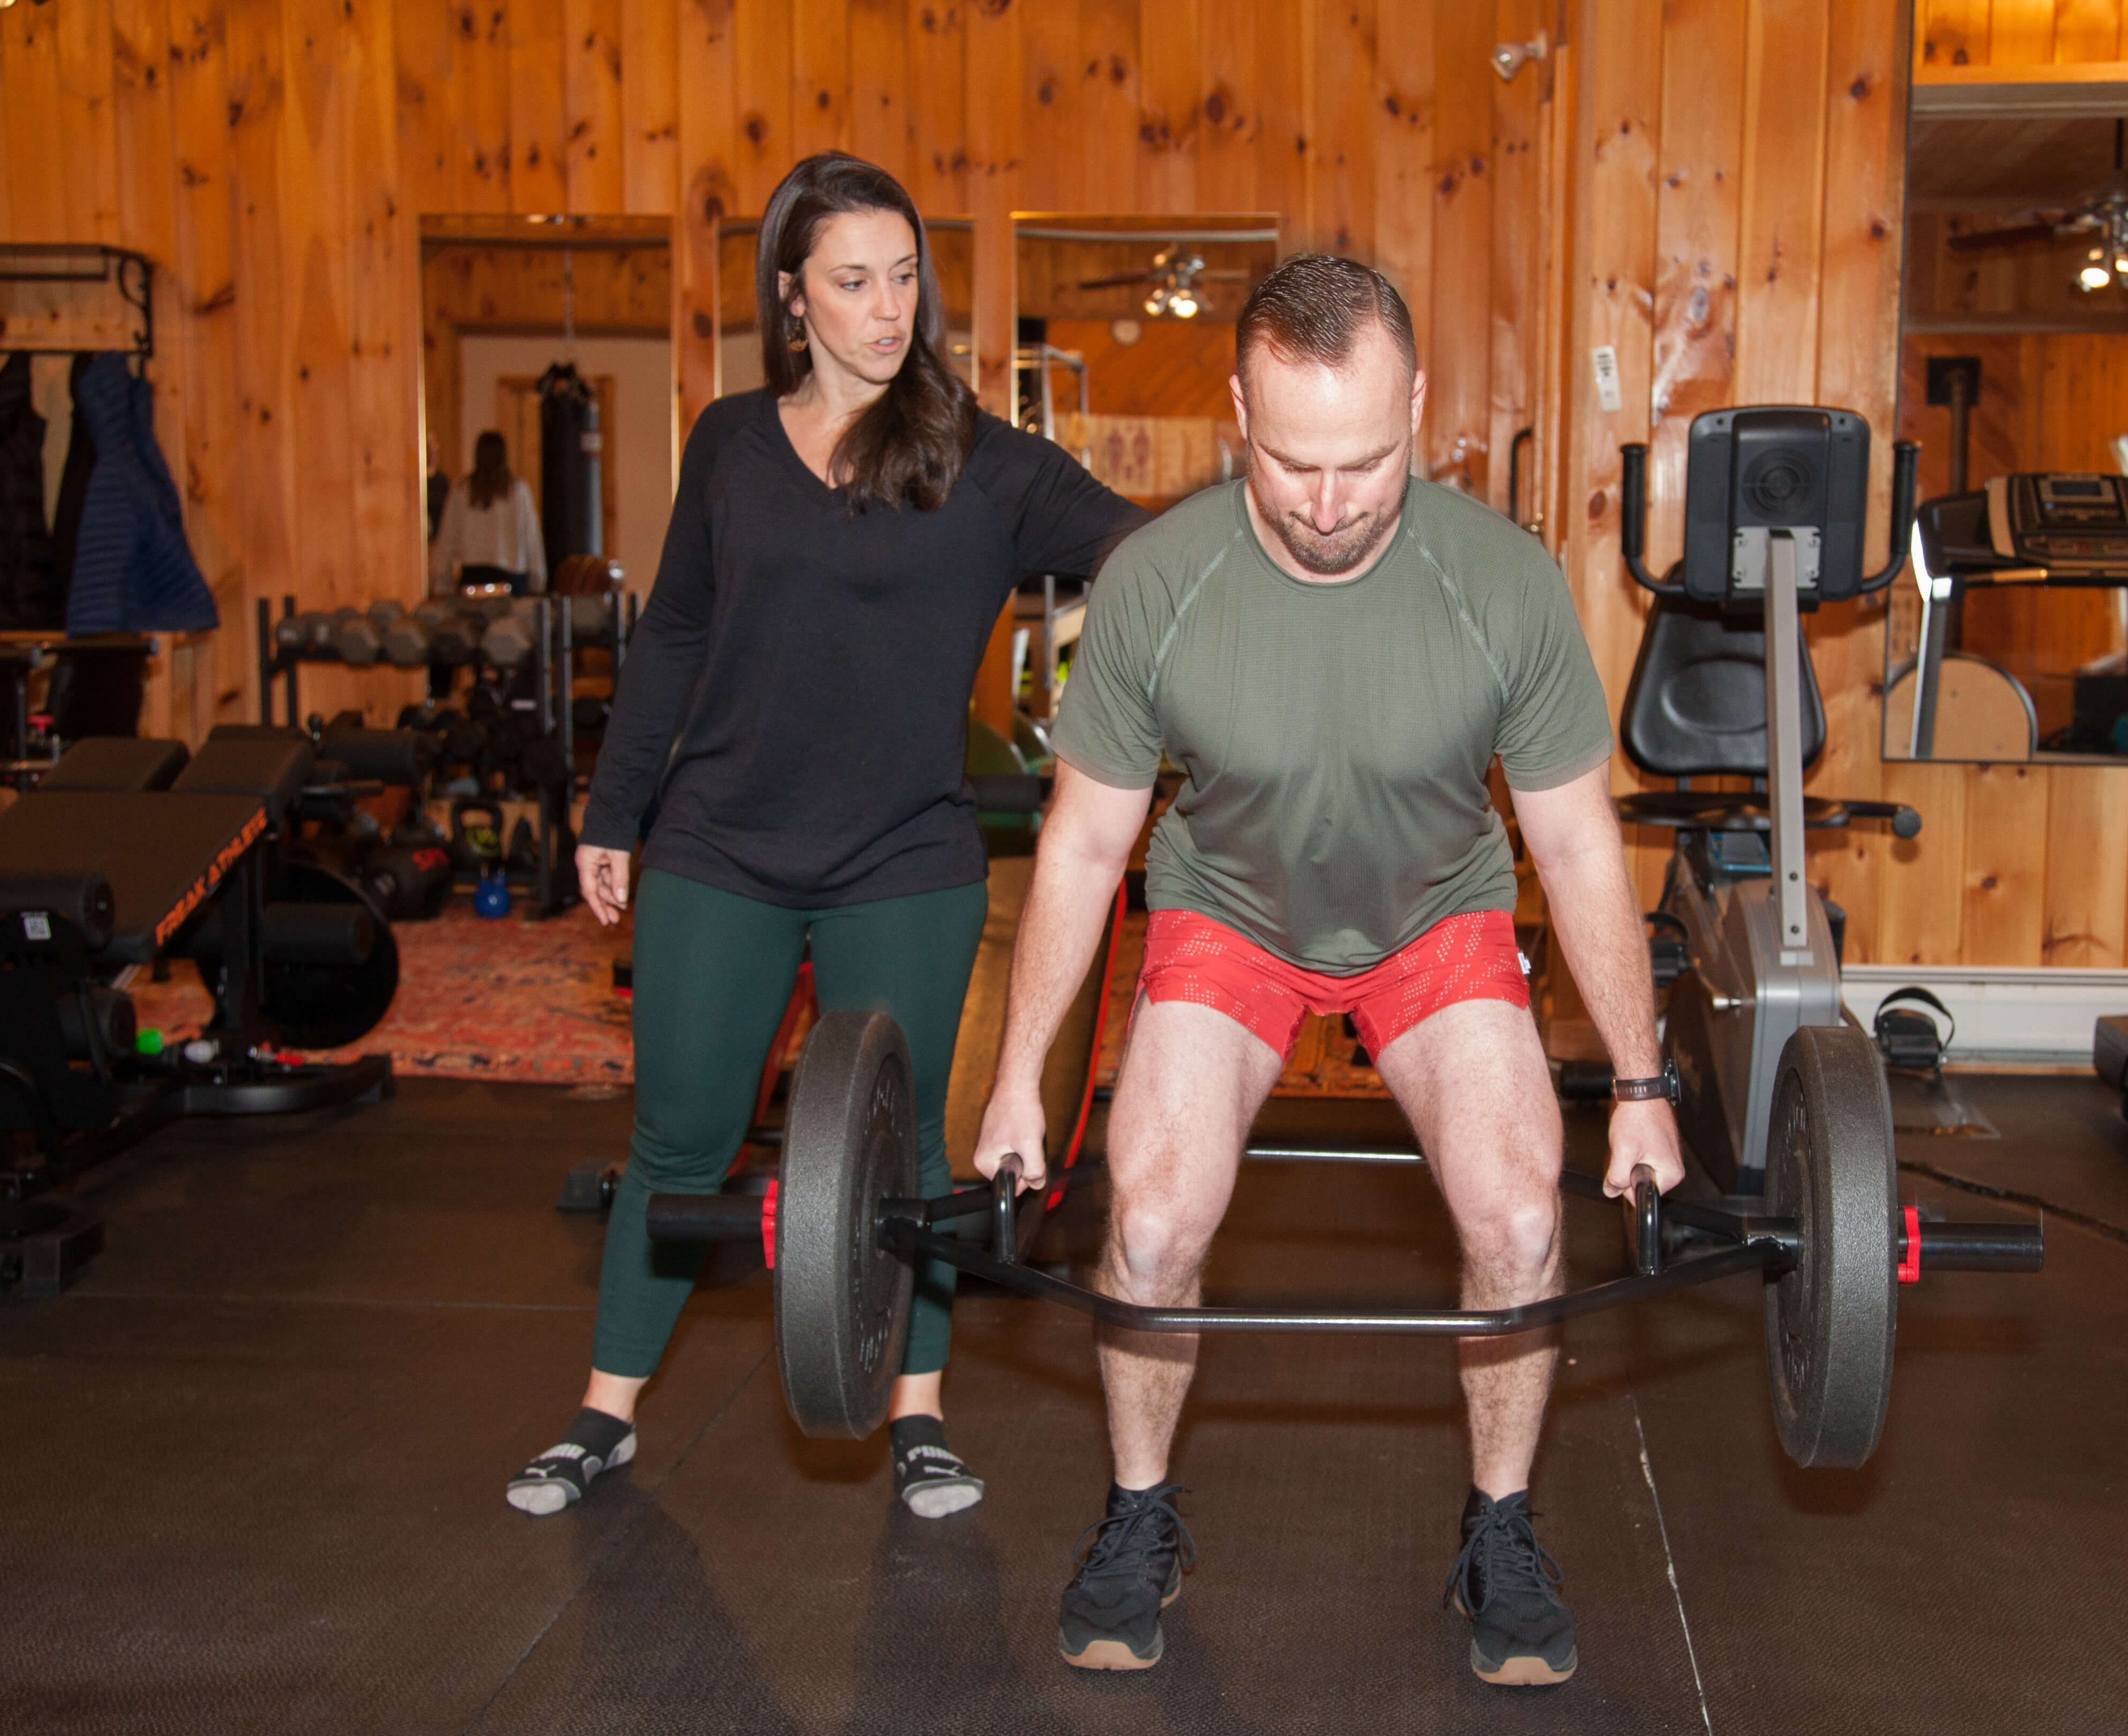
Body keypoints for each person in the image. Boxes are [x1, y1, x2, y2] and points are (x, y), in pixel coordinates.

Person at [969, 255, 1684, 1685]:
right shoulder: (1155, 582)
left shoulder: (1502, 581)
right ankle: (1137, 1514)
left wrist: (1644, 1085)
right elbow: (1081, 846)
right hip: (1229, 912)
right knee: (1155, 1220)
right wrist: (1013, 1087)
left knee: (1518, 1216)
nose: (1329, 500)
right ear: (1238, 411)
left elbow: (1579, 846)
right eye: (1294, 462)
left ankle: (1498, 1527)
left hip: (1436, 915)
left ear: (1417, 406)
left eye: (1365, 460)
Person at [504, 152, 1145, 1522]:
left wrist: (1298, 515)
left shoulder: (987, 464)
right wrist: (612, 807)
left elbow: (1148, 556)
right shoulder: (729, 442)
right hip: (718, 842)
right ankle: (603, 1414)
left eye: (905, 277)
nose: (886, 308)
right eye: (853, 282)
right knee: (679, 1141)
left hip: (902, 858)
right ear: (792, 297)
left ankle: (916, 1416)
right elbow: (674, 630)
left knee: (905, 1158)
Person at [430, 429, 546, 595]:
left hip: (473, 579)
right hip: (511, 579)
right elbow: (532, 539)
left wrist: (441, 584)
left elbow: (447, 541)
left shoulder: (462, 491)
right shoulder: (518, 491)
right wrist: (538, 581)